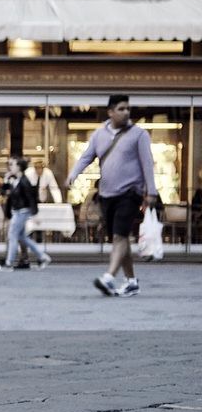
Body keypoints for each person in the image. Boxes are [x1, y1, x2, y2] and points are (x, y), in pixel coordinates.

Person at [66, 94, 159, 297]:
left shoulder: (139, 135)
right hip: (107, 194)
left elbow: (147, 164)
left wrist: (151, 191)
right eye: (121, 109)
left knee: (119, 236)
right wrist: (73, 174)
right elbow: (87, 157)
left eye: (128, 108)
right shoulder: (99, 135)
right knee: (121, 238)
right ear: (110, 112)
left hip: (130, 193)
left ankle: (108, 277)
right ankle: (132, 281)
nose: (126, 112)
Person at [0, 156, 52, 271]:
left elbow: (30, 198)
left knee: (12, 235)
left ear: (19, 167)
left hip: (22, 212)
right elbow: (3, 192)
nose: (11, 167)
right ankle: (43, 257)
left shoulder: (24, 181)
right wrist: (6, 180)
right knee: (22, 237)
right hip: (18, 211)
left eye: (13, 165)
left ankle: (9, 263)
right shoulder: (16, 180)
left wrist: (35, 214)